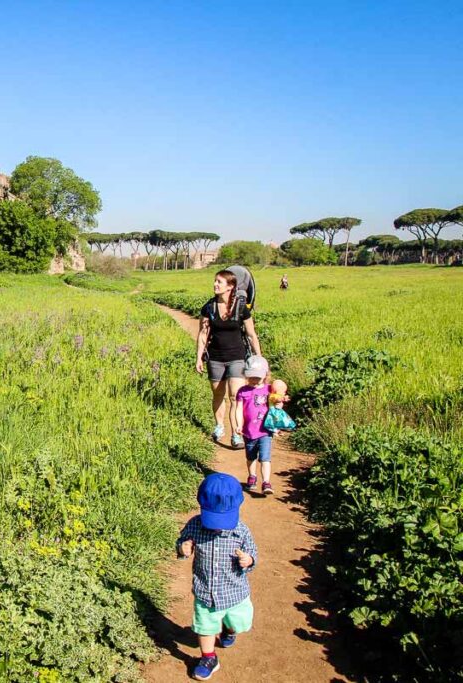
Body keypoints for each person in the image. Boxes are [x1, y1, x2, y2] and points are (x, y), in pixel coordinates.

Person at [177, 473, 258, 680]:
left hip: (235, 592)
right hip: (206, 591)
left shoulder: (241, 532)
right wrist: (183, 547)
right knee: (205, 625)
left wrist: (248, 560)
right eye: (212, 518)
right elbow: (183, 540)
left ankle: (229, 631)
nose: (216, 526)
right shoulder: (195, 525)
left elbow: (253, 555)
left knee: (237, 622)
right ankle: (208, 657)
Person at [195, 270, 263, 447]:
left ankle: (236, 433)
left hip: (237, 357)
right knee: (218, 394)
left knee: (235, 397)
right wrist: (198, 358)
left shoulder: (241, 308)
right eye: (215, 281)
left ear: (230, 286)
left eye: (219, 282)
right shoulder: (208, 307)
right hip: (215, 357)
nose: (215, 284)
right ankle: (219, 426)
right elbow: (202, 334)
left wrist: (259, 358)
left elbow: (251, 335)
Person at [235, 355, 280, 494]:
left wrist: (276, 426)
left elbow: (275, 409)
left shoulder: (269, 390)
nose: (254, 380)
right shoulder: (242, 391)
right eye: (251, 377)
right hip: (248, 431)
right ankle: (252, 477)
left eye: (258, 377)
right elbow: (238, 409)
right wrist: (238, 425)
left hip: (265, 431)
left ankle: (266, 482)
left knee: (265, 458)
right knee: (251, 457)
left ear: (266, 375)